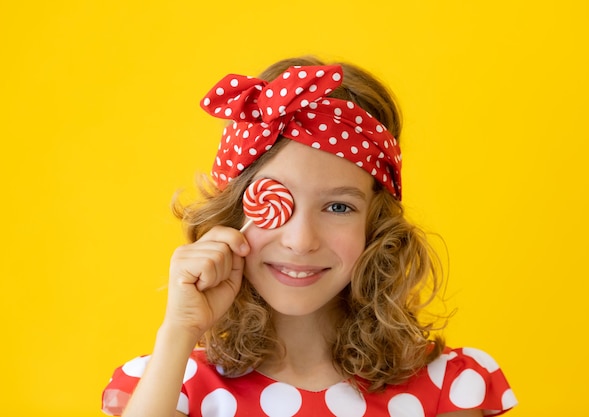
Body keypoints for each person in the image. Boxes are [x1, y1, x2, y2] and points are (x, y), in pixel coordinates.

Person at [102, 56, 517, 417]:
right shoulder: (177, 387)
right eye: (278, 199)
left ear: (376, 226)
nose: (301, 241)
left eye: (339, 207)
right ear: (234, 212)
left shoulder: (444, 389)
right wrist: (179, 329)